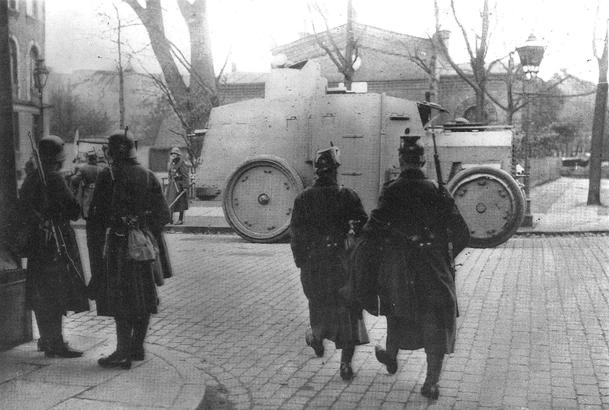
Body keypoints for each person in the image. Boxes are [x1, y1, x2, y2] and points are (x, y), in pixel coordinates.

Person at [358, 135, 470, 399]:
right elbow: (462, 233)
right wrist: (445, 256)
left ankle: (391, 356)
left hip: (400, 266)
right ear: (422, 161)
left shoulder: (391, 190)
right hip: (433, 267)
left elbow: (372, 229)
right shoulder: (438, 191)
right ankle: (431, 383)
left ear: (400, 161)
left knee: (397, 312)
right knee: (435, 321)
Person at [87, 130, 171, 369]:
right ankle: (137, 347)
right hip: (143, 248)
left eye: (110, 149)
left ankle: (122, 352)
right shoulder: (148, 175)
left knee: (120, 298)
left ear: (117, 151)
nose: (108, 154)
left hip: (117, 247)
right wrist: (143, 229)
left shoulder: (108, 176)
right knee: (144, 296)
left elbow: (95, 216)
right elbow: (163, 215)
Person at [289, 145, 369, 381]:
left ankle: (316, 338)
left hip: (314, 266)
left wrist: (301, 262)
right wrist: (351, 235)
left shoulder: (303, 198)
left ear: (317, 171)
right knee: (349, 313)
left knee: (319, 308)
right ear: (335, 171)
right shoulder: (347, 195)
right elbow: (363, 222)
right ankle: (345, 365)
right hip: (340, 263)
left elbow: (296, 235)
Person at [18, 135, 89, 357]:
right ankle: (55, 343)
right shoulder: (55, 178)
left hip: (37, 243)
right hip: (57, 240)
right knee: (57, 291)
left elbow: (23, 208)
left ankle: (45, 339)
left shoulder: (31, 178)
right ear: (58, 158)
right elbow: (74, 210)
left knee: (41, 291)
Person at [72, 149, 101, 219]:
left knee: (87, 204)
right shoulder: (100, 169)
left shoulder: (83, 168)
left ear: (89, 158)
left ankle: (87, 217)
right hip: (98, 190)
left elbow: (75, 179)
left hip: (87, 189)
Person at [165, 147, 189, 225]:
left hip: (179, 185)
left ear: (178, 155)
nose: (173, 155)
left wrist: (185, 186)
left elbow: (185, 175)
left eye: (175, 154)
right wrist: (169, 180)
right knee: (170, 201)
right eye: (172, 154)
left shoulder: (181, 163)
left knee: (181, 202)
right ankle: (170, 219)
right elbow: (169, 173)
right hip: (172, 185)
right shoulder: (171, 163)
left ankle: (180, 219)